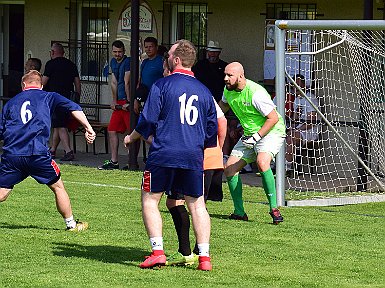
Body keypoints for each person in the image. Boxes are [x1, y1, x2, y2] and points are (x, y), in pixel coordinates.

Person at [123, 39, 218, 271]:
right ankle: (204, 257)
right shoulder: (205, 92)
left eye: (168, 57)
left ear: (176, 60)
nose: (166, 60)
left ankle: (157, 252)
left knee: (150, 199)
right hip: (193, 156)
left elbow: (147, 120)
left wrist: (132, 137)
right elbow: (211, 131)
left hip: (164, 153)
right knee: (197, 205)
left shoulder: (162, 86)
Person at [0, 70, 96, 231]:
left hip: (13, 154)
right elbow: (74, 108)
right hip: (38, 154)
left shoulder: (12, 102)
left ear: (23, 85)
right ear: (41, 85)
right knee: (58, 187)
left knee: (2, 193)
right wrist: (88, 128)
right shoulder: (48, 96)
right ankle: (71, 225)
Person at [218, 62, 286, 224]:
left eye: (230, 75)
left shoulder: (256, 93)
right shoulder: (228, 90)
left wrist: (256, 137)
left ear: (241, 76)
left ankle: (274, 209)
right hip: (249, 134)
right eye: (225, 75)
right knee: (229, 169)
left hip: (270, 131)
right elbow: (222, 107)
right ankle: (239, 212)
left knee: (262, 162)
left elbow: (273, 118)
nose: (225, 78)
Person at [165, 98, 227, 266]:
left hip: (192, 158)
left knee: (178, 202)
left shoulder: (175, 91)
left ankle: (188, 252)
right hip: (209, 157)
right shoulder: (205, 94)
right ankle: (200, 253)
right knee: (199, 205)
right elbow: (222, 121)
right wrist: (218, 148)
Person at [42, 42, 81, 161]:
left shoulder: (50, 64)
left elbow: (43, 82)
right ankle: (53, 150)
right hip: (67, 98)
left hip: (54, 99)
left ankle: (68, 151)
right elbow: (77, 83)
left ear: (53, 52)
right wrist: (77, 97)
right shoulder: (71, 64)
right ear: (63, 53)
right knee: (58, 125)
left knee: (61, 125)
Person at [131, 37, 164, 170]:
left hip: (158, 102)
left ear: (156, 47)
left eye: (151, 46)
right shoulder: (144, 62)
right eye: (146, 47)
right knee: (144, 129)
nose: (148, 49)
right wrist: (136, 99)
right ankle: (156, 153)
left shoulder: (161, 61)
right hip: (146, 101)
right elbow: (141, 83)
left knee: (154, 130)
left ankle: (159, 153)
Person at [98, 40, 131, 170]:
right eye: (115, 52)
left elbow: (127, 82)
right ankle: (114, 161)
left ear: (124, 51)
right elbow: (113, 82)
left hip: (127, 100)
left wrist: (128, 101)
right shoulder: (112, 62)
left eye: (120, 52)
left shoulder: (128, 61)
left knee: (132, 132)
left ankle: (131, 161)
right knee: (112, 129)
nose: (117, 54)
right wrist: (114, 100)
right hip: (119, 102)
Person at [285, 74, 320, 172]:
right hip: (300, 129)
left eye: (298, 84)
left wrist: (297, 129)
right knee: (280, 136)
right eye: (294, 85)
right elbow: (295, 119)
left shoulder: (310, 98)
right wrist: (291, 125)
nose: (296, 87)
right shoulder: (296, 99)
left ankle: (287, 168)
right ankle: (275, 166)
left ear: (304, 85)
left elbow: (311, 122)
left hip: (311, 131)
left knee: (291, 137)